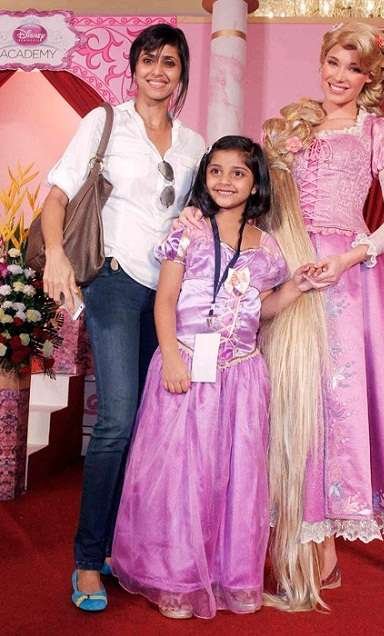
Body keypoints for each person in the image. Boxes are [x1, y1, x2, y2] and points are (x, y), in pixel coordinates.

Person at [179, 21, 384, 616]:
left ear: (370, 78)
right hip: (292, 279)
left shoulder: (378, 130)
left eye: (355, 68)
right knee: (299, 413)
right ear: (321, 62)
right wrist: (198, 218)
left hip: (353, 283)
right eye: (334, 62)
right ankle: (318, 553)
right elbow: (249, 199)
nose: (340, 76)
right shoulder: (288, 127)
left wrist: (349, 257)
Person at [110, 135, 322, 620]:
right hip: (185, 365)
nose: (225, 181)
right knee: (180, 474)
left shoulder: (267, 248)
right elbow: (166, 301)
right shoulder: (186, 232)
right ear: (204, 177)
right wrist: (171, 357)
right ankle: (176, 578)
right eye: (216, 171)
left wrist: (296, 287)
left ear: (256, 184)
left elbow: (262, 308)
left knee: (233, 476)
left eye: (238, 173)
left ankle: (226, 574)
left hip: (241, 375)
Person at [40, 23, 205, 611]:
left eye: (170, 62)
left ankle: (120, 545)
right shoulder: (104, 122)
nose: (158, 70)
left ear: (182, 73)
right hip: (113, 281)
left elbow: (200, 213)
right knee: (115, 420)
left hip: (167, 295)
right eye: (149, 60)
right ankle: (88, 559)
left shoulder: (194, 144)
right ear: (133, 67)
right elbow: (57, 195)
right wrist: (56, 254)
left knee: (146, 424)